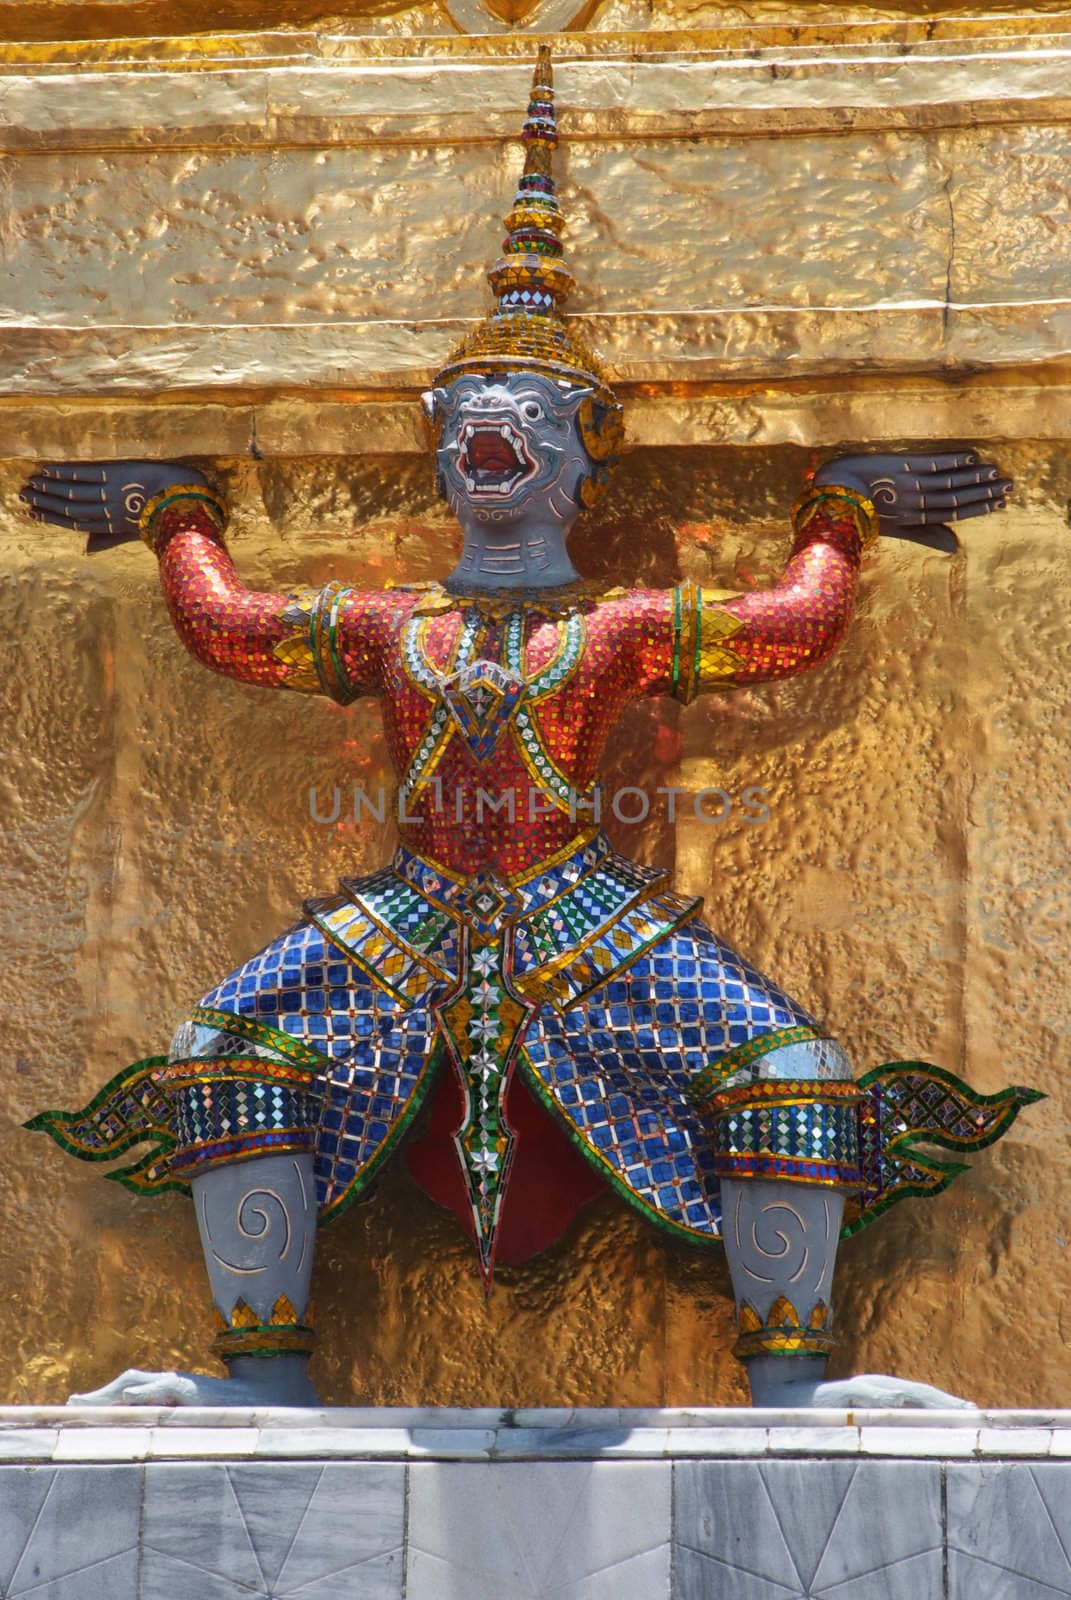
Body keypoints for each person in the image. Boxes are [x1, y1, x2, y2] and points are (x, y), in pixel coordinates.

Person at [25, 49, 1037, 1409]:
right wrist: (174, 519)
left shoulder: (609, 633)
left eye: (527, 418)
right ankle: (261, 1370)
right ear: (442, 445)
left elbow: (788, 627)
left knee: (790, 1071)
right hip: (415, 908)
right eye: (466, 422)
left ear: (578, 447)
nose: (488, 434)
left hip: (577, 909)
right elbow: (234, 630)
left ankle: (791, 1374)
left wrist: (840, 518)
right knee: (226, 1049)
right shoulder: (392, 629)